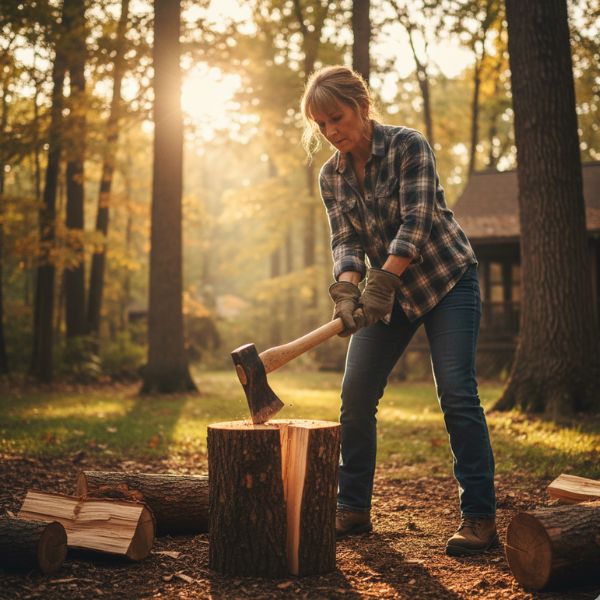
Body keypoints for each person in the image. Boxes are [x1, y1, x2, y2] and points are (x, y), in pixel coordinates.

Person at [300, 65, 497, 557]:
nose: (330, 131)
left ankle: (479, 517)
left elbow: (419, 220)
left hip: (445, 280)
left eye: (336, 118)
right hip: (386, 295)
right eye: (320, 125)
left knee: (456, 390)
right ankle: (353, 509)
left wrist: (381, 281)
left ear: (362, 108)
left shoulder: (409, 145)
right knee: (355, 393)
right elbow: (345, 240)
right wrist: (347, 292)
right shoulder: (332, 175)